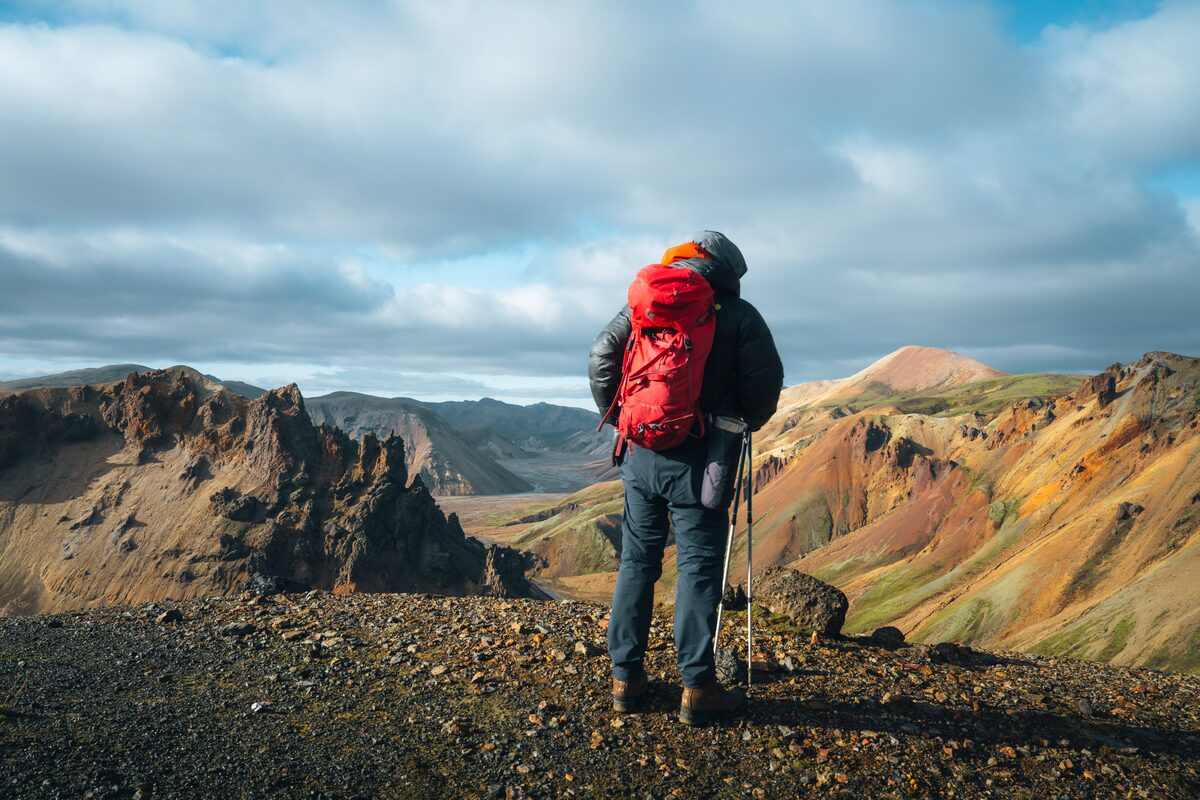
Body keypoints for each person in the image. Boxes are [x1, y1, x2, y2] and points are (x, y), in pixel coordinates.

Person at [588, 230, 783, 724]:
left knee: (637, 560)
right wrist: (739, 419)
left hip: (639, 453)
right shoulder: (739, 316)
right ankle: (697, 689)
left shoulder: (645, 303)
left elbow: (600, 358)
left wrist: (624, 420)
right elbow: (764, 388)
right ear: (728, 272)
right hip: (704, 462)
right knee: (698, 569)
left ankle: (625, 679)